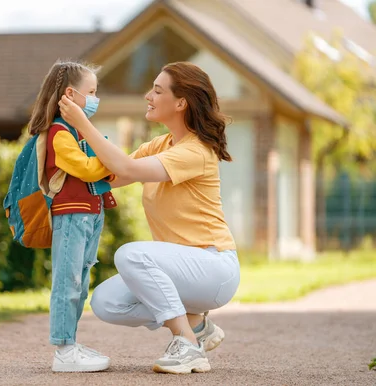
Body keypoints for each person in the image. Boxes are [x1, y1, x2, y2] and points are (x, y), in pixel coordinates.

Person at [58, 61, 240, 375]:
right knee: (105, 302)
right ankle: (197, 326)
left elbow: (128, 170)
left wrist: (83, 123)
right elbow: (112, 174)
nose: (148, 96)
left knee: (130, 254)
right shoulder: (161, 145)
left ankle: (187, 345)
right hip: (181, 271)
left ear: (180, 102)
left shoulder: (195, 151)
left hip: (214, 266)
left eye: (157, 90)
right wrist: (61, 149)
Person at [27, 60, 117, 372]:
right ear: (70, 94)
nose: (95, 98)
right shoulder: (59, 133)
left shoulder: (79, 132)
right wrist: (110, 155)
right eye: (91, 92)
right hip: (71, 216)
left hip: (90, 214)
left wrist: (104, 151)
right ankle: (63, 351)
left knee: (80, 282)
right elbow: (87, 168)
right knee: (68, 282)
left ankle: (71, 343)